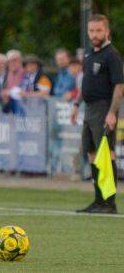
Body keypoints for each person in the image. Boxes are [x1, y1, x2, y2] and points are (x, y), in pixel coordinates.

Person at [71, 14, 124, 214]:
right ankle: (98, 200)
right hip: (89, 109)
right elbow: (85, 83)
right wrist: (76, 105)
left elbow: (119, 86)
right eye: (91, 30)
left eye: (98, 30)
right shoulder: (89, 54)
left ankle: (109, 203)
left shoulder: (112, 55)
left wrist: (112, 113)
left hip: (104, 108)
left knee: (106, 153)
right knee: (92, 154)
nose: (94, 34)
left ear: (107, 31)